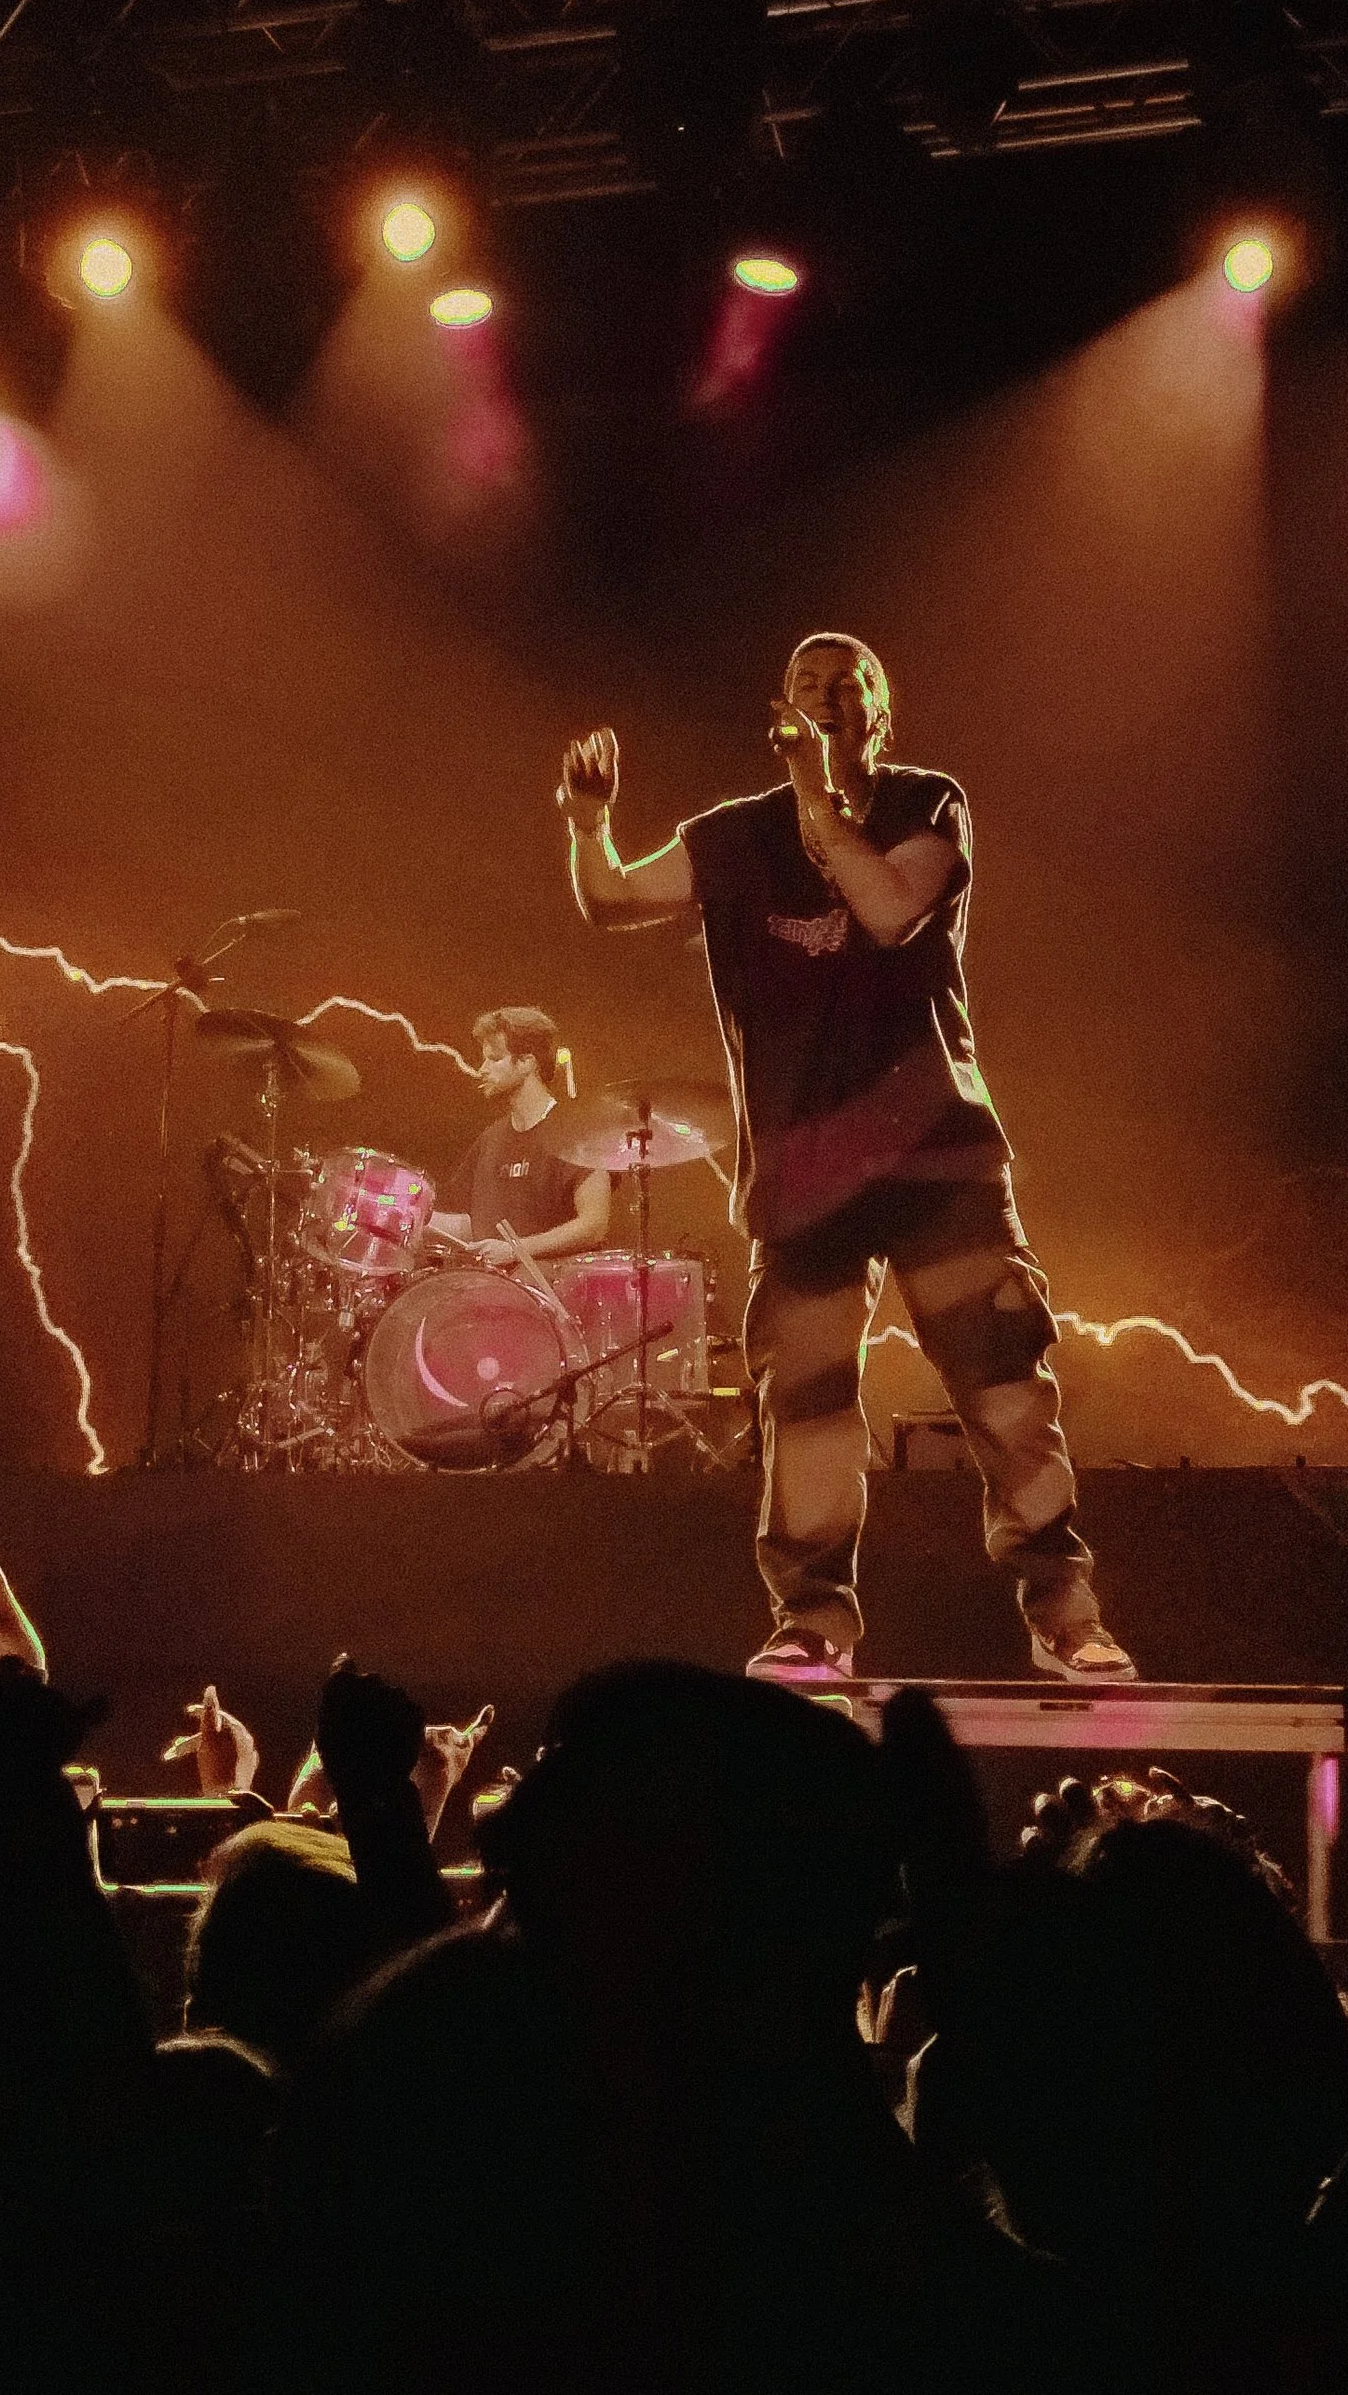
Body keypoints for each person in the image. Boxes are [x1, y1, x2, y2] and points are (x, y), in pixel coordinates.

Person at [557, 633, 1134, 1683]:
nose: (826, 696)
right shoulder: (732, 837)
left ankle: (1066, 1619)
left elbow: (882, 906)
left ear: (880, 709)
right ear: (778, 703)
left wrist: (814, 799)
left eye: (846, 683)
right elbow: (608, 900)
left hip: (936, 1158)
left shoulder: (927, 806)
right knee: (807, 1407)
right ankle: (811, 1625)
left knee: (1003, 1390)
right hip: (805, 1169)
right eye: (806, 684)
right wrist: (587, 821)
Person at [426, 1006, 611, 1273]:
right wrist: (411, 1217)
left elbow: (594, 1224)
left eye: (494, 1059)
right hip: (493, 1290)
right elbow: (472, 1225)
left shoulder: (577, 1133)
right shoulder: (490, 1139)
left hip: (555, 1292)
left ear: (527, 1062)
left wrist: (515, 1249)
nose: (482, 1070)